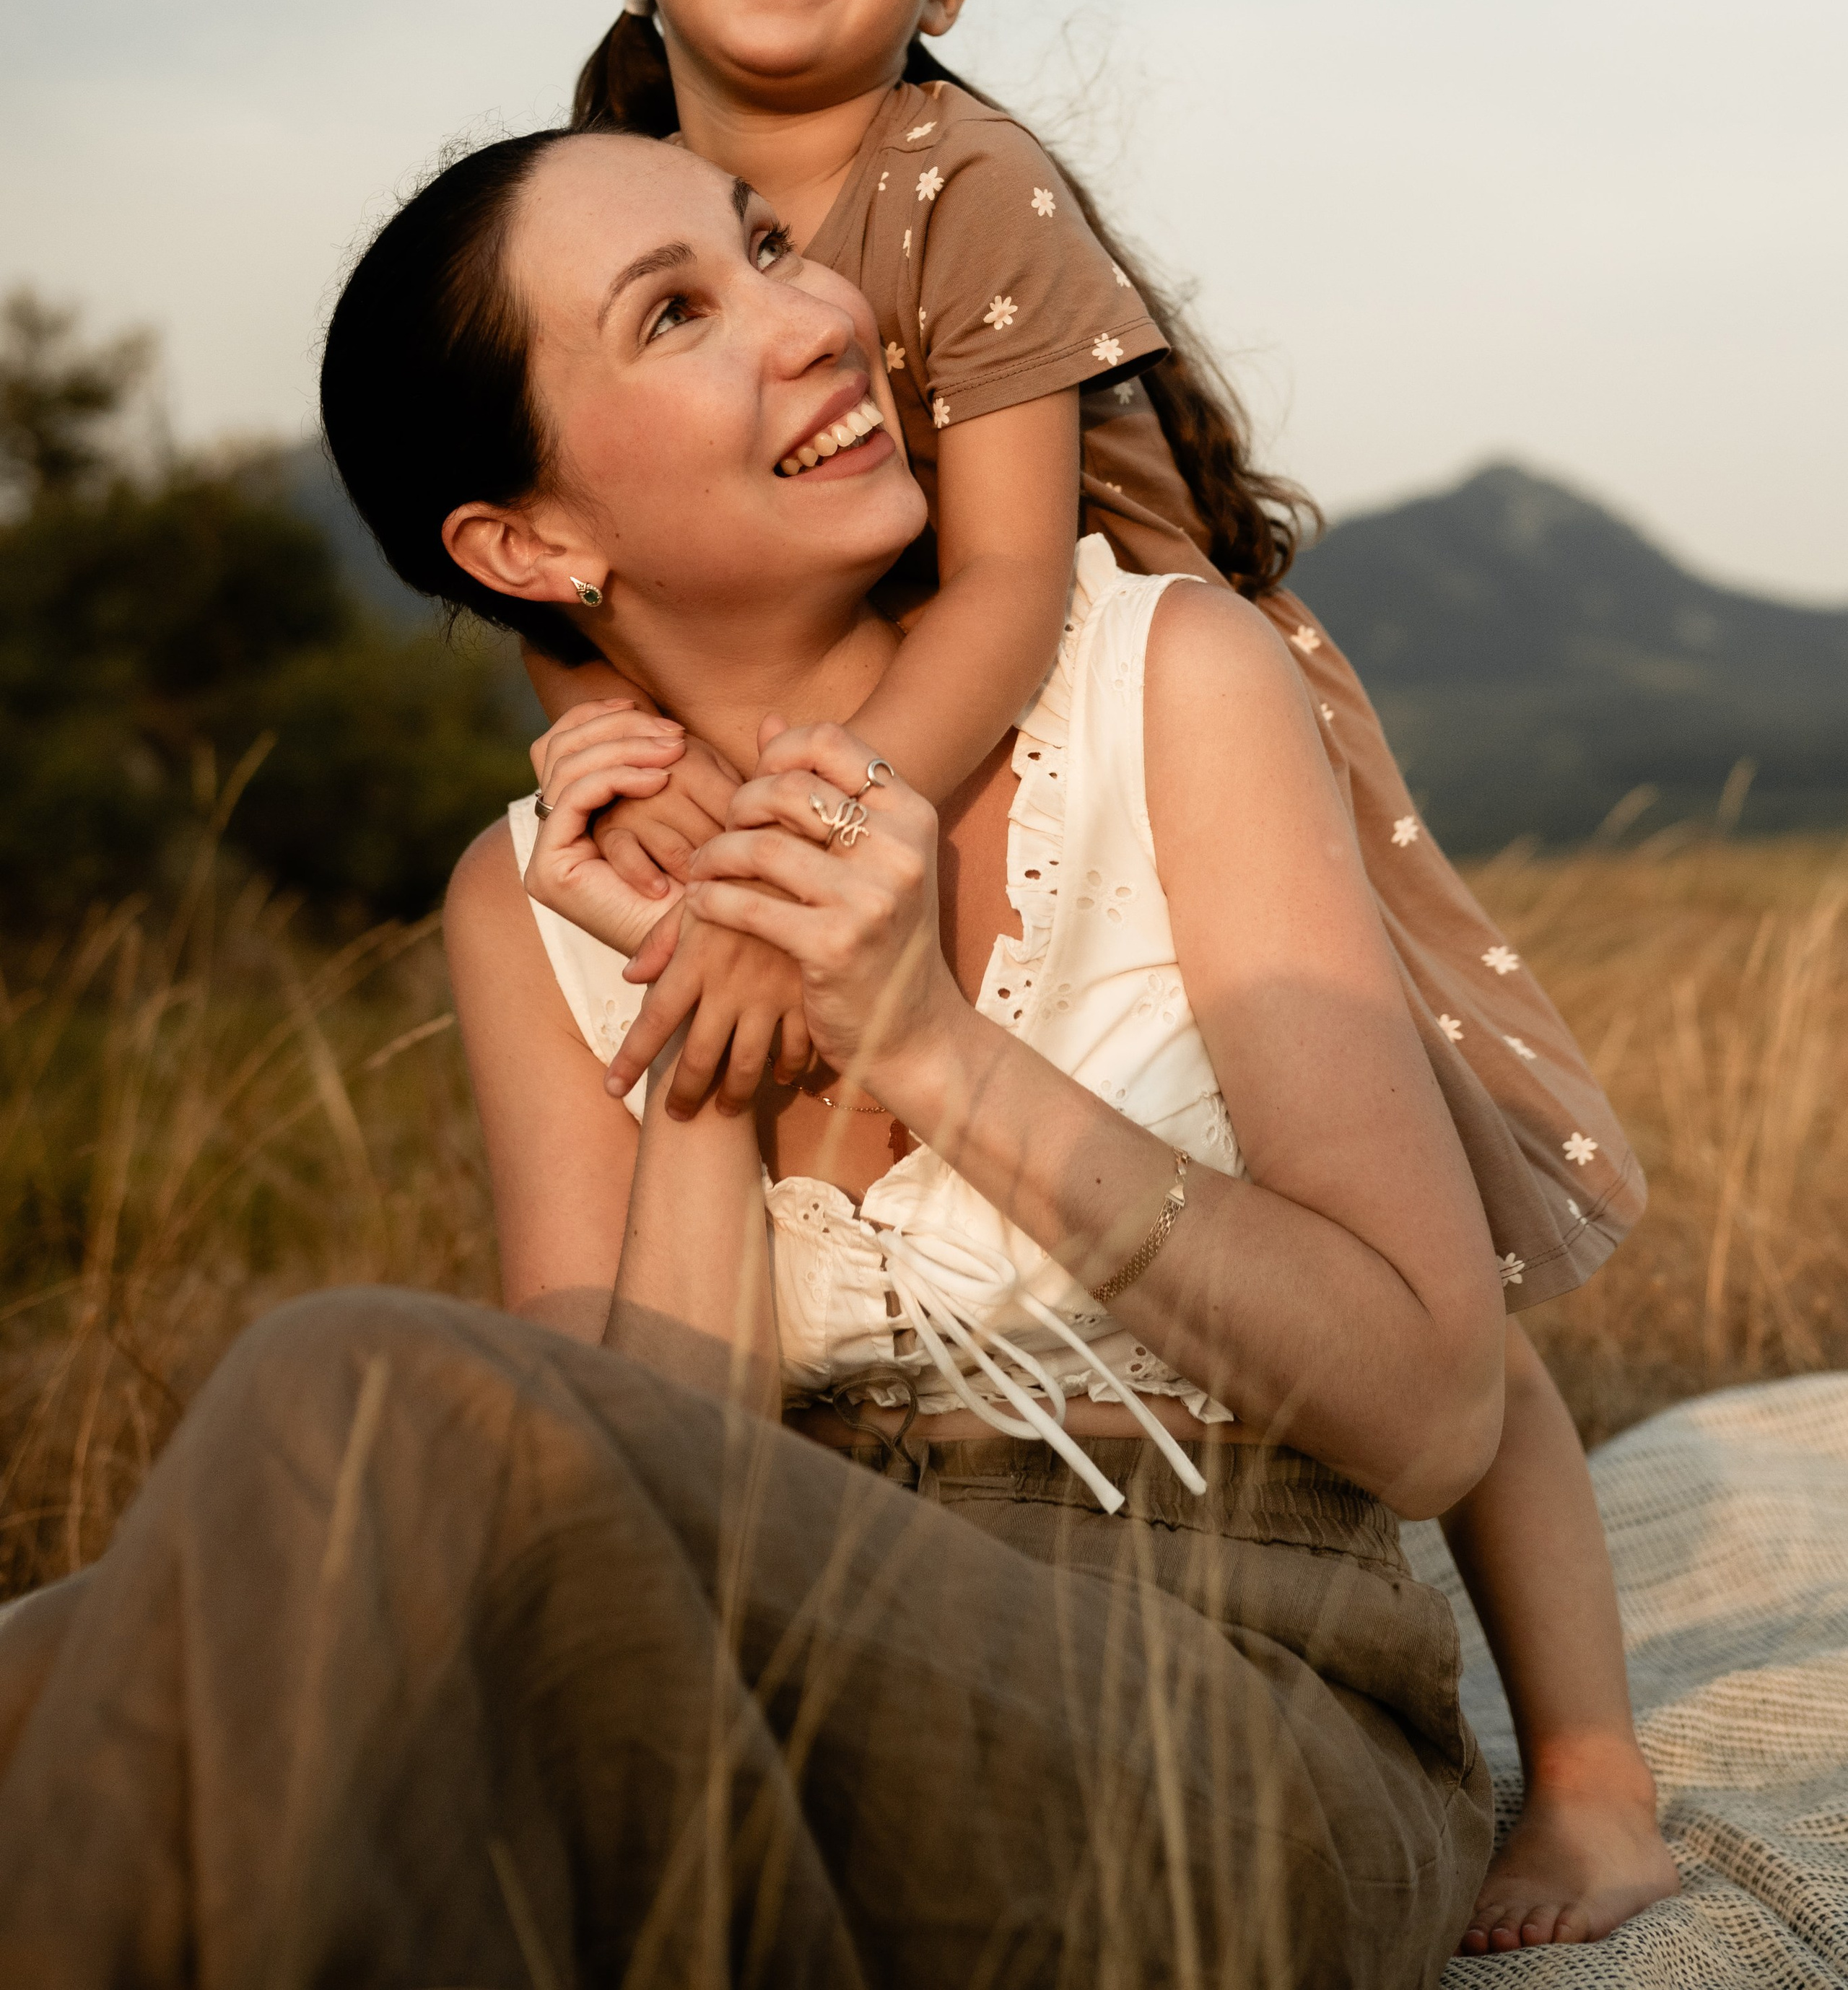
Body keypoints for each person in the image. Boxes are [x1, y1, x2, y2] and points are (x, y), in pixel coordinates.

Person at [535, 0, 1672, 1950]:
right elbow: (583, 538)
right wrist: (584, 733)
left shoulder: (968, 176)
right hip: (875, 727)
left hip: (1147, 695)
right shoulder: (603, 197)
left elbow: (1001, 589)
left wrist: (789, 876)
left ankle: (1595, 1777)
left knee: (1415, 1246)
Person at [315, 118, 1504, 1984]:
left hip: (1236, 1675)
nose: (815, 320)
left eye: (770, 247)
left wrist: (930, 1049)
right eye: (679, 311)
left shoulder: (1167, 684)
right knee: (306, 1469)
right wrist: (702, 1035)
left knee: (351, 1442)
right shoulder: (526, 897)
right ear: (528, 543)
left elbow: (1435, 1413)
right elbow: (631, 1529)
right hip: (758, 1657)